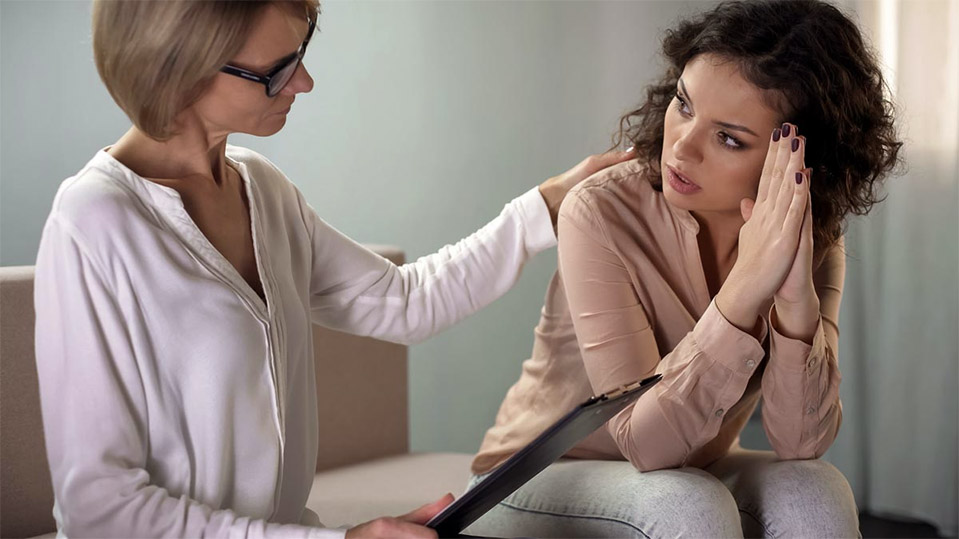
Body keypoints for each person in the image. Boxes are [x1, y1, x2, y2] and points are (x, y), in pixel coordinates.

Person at [31, 1, 634, 537]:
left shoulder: (263, 189)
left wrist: (547, 205)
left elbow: (406, 302)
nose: (305, 82)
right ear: (178, 69)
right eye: (276, 71)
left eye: (301, 54)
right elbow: (97, 508)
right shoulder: (94, 221)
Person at [468, 0, 902, 537]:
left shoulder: (812, 238)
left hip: (690, 467)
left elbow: (801, 443)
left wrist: (794, 303)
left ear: (797, 164)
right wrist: (745, 291)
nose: (683, 147)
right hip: (537, 478)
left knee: (817, 488)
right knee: (687, 503)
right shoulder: (601, 212)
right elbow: (645, 444)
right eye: (684, 104)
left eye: (729, 138)